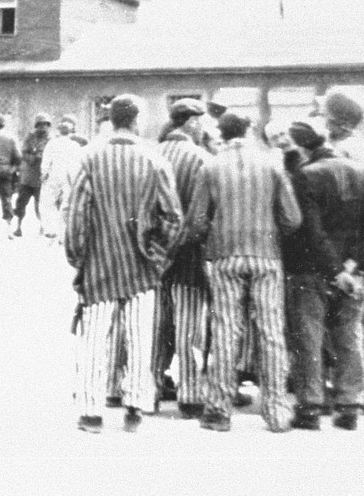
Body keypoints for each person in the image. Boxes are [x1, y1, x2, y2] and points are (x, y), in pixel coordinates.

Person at [63, 94, 181, 433]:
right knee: (140, 339)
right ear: (137, 120)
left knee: (94, 342)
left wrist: (78, 259)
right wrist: (157, 257)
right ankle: (135, 408)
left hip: (98, 269)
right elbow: (173, 217)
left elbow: (76, 219)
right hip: (142, 269)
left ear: (112, 120)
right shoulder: (154, 160)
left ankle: (90, 412)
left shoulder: (90, 159)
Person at [184, 111, 302, 433]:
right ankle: (276, 411)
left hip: (224, 257)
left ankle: (219, 411)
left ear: (222, 133)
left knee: (225, 330)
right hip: (266, 256)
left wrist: (214, 234)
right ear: (249, 130)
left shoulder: (210, 166)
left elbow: (195, 222)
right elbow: (292, 218)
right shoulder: (272, 164)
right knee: (271, 332)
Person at [283, 120, 364, 429]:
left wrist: (333, 270)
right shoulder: (362, 173)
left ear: (304, 147)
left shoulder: (305, 175)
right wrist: (353, 268)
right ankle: (349, 405)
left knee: (309, 337)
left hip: (310, 269)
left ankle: (310, 406)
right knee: (348, 336)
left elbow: (310, 229)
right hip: (350, 273)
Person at [154, 99, 214, 417]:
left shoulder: (151, 153)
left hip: (152, 256)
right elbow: (199, 216)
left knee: (156, 325)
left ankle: (148, 387)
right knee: (190, 326)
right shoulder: (200, 158)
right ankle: (190, 395)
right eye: (201, 120)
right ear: (191, 122)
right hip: (188, 255)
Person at [38, 115, 85, 238]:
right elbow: (79, 163)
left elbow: (46, 161)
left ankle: (50, 229)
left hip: (54, 174)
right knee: (67, 203)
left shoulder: (52, 143)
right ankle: (64, 231)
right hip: (69, 176)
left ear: (58, 131)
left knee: (47, 203)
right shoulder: (75, 145)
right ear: (70, 132)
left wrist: (44, 174)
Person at [12, 114, 52, 235]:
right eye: (40, 125)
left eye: (45, 125)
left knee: (40, 205)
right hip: (28, 177)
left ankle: (43, 227)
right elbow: (22, 154)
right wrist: (33, 158)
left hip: (42, 178)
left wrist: (44, 158)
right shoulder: (30, 138)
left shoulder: (51, 139)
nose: (42, 128)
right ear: (36, 126)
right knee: (21, 204)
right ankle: (18, 227)